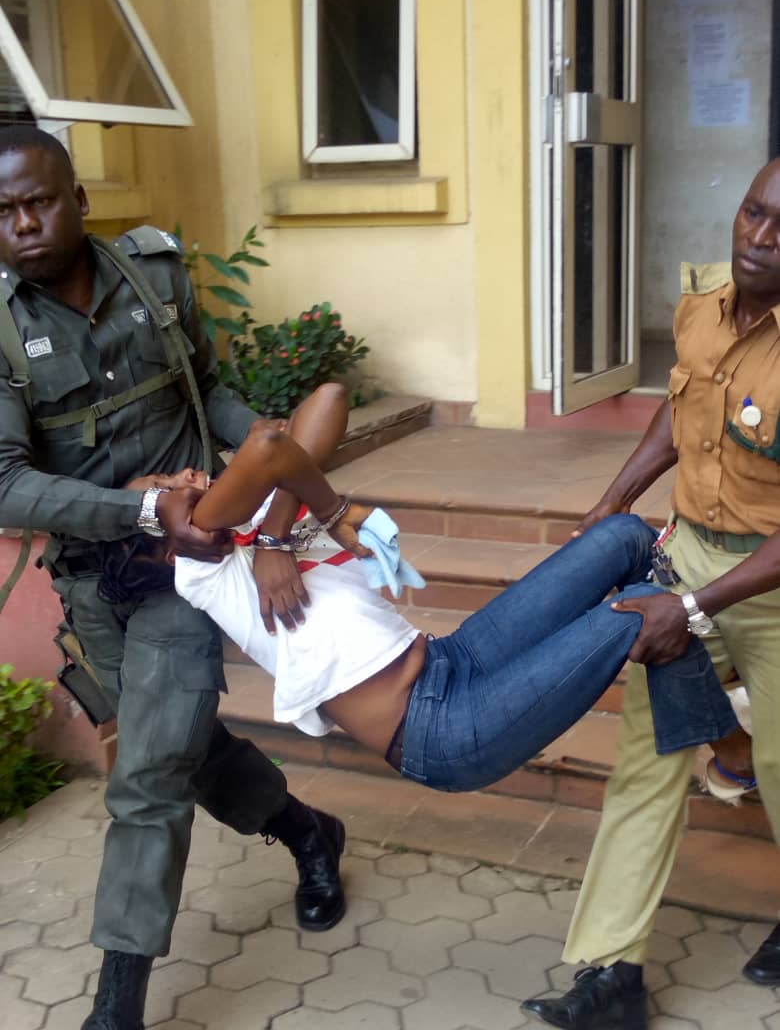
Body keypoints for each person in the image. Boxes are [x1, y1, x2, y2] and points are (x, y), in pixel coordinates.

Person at [0, 125, 349, 1030]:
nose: (23, 224)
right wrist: (143, 508)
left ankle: (115, 1008)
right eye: (2, 212)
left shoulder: (153, 275)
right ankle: (308, 831)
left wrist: (265, 453)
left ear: (78, 200)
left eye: (38, 202)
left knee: (150, 774)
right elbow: (5, 482)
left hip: (188, 573)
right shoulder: (0, 325)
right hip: (92, 579)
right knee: (186, 750)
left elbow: (208, 391)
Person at [108, 402, 737, 809]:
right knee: (646, 607)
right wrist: (298, 514)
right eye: (164, 493)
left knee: (623, 537)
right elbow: (271, 446)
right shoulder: (202, 569)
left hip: (451, 661)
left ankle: (700, 684)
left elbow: (321, 403)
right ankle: (733, 749)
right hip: (442, 733)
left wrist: (276, 534)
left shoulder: (265, 518)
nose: (184, 477)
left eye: (174, 473)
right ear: (167, 550)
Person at [522, 156, 780, 1030]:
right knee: (647, 764)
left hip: (771, 588)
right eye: (752, 212)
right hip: (690, 560)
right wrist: (612, 502)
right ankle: (613, 975)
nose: (760, 238)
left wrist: (693, 610)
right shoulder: (701, 311)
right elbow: (679, 417)